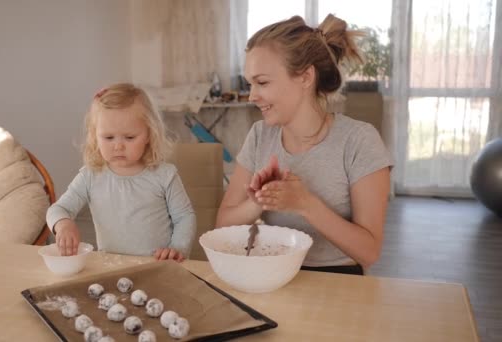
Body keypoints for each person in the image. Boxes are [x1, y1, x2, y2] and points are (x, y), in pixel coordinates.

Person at [216, 15, 394, 275]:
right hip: (273, 274)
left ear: (305, 77)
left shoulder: (359, 141)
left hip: (338, 282)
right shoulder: (259, 136)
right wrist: (260, 201)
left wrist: (305, 203)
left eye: (262, 82)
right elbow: (223, 223)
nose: (252, 96)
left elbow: (369, 252)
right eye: (249, 84)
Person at [47, 83, 196, 262]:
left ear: (149, 134)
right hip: (110, 266)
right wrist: (63, 224)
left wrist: (177, 247)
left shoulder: (165, 175)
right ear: (95, 136)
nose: (118, 146)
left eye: (129, 137)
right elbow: (58, 209)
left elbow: (184, 217)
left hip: (158, 266)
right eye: (108, 137)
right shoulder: (90, 176)